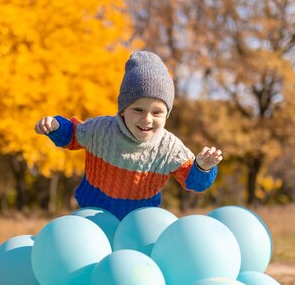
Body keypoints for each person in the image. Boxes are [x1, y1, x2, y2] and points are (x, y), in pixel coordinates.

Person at [34, 50, 222, 220]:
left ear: (167, 114)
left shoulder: (169, 148)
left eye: (157, 112)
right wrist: (56, 126)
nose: (147, 119)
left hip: (139, 224)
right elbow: (73, 134)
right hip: (92, 217)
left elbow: (195, 183)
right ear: (123, 110)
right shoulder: (101, 130)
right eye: (138, 109)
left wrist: (202, 168)